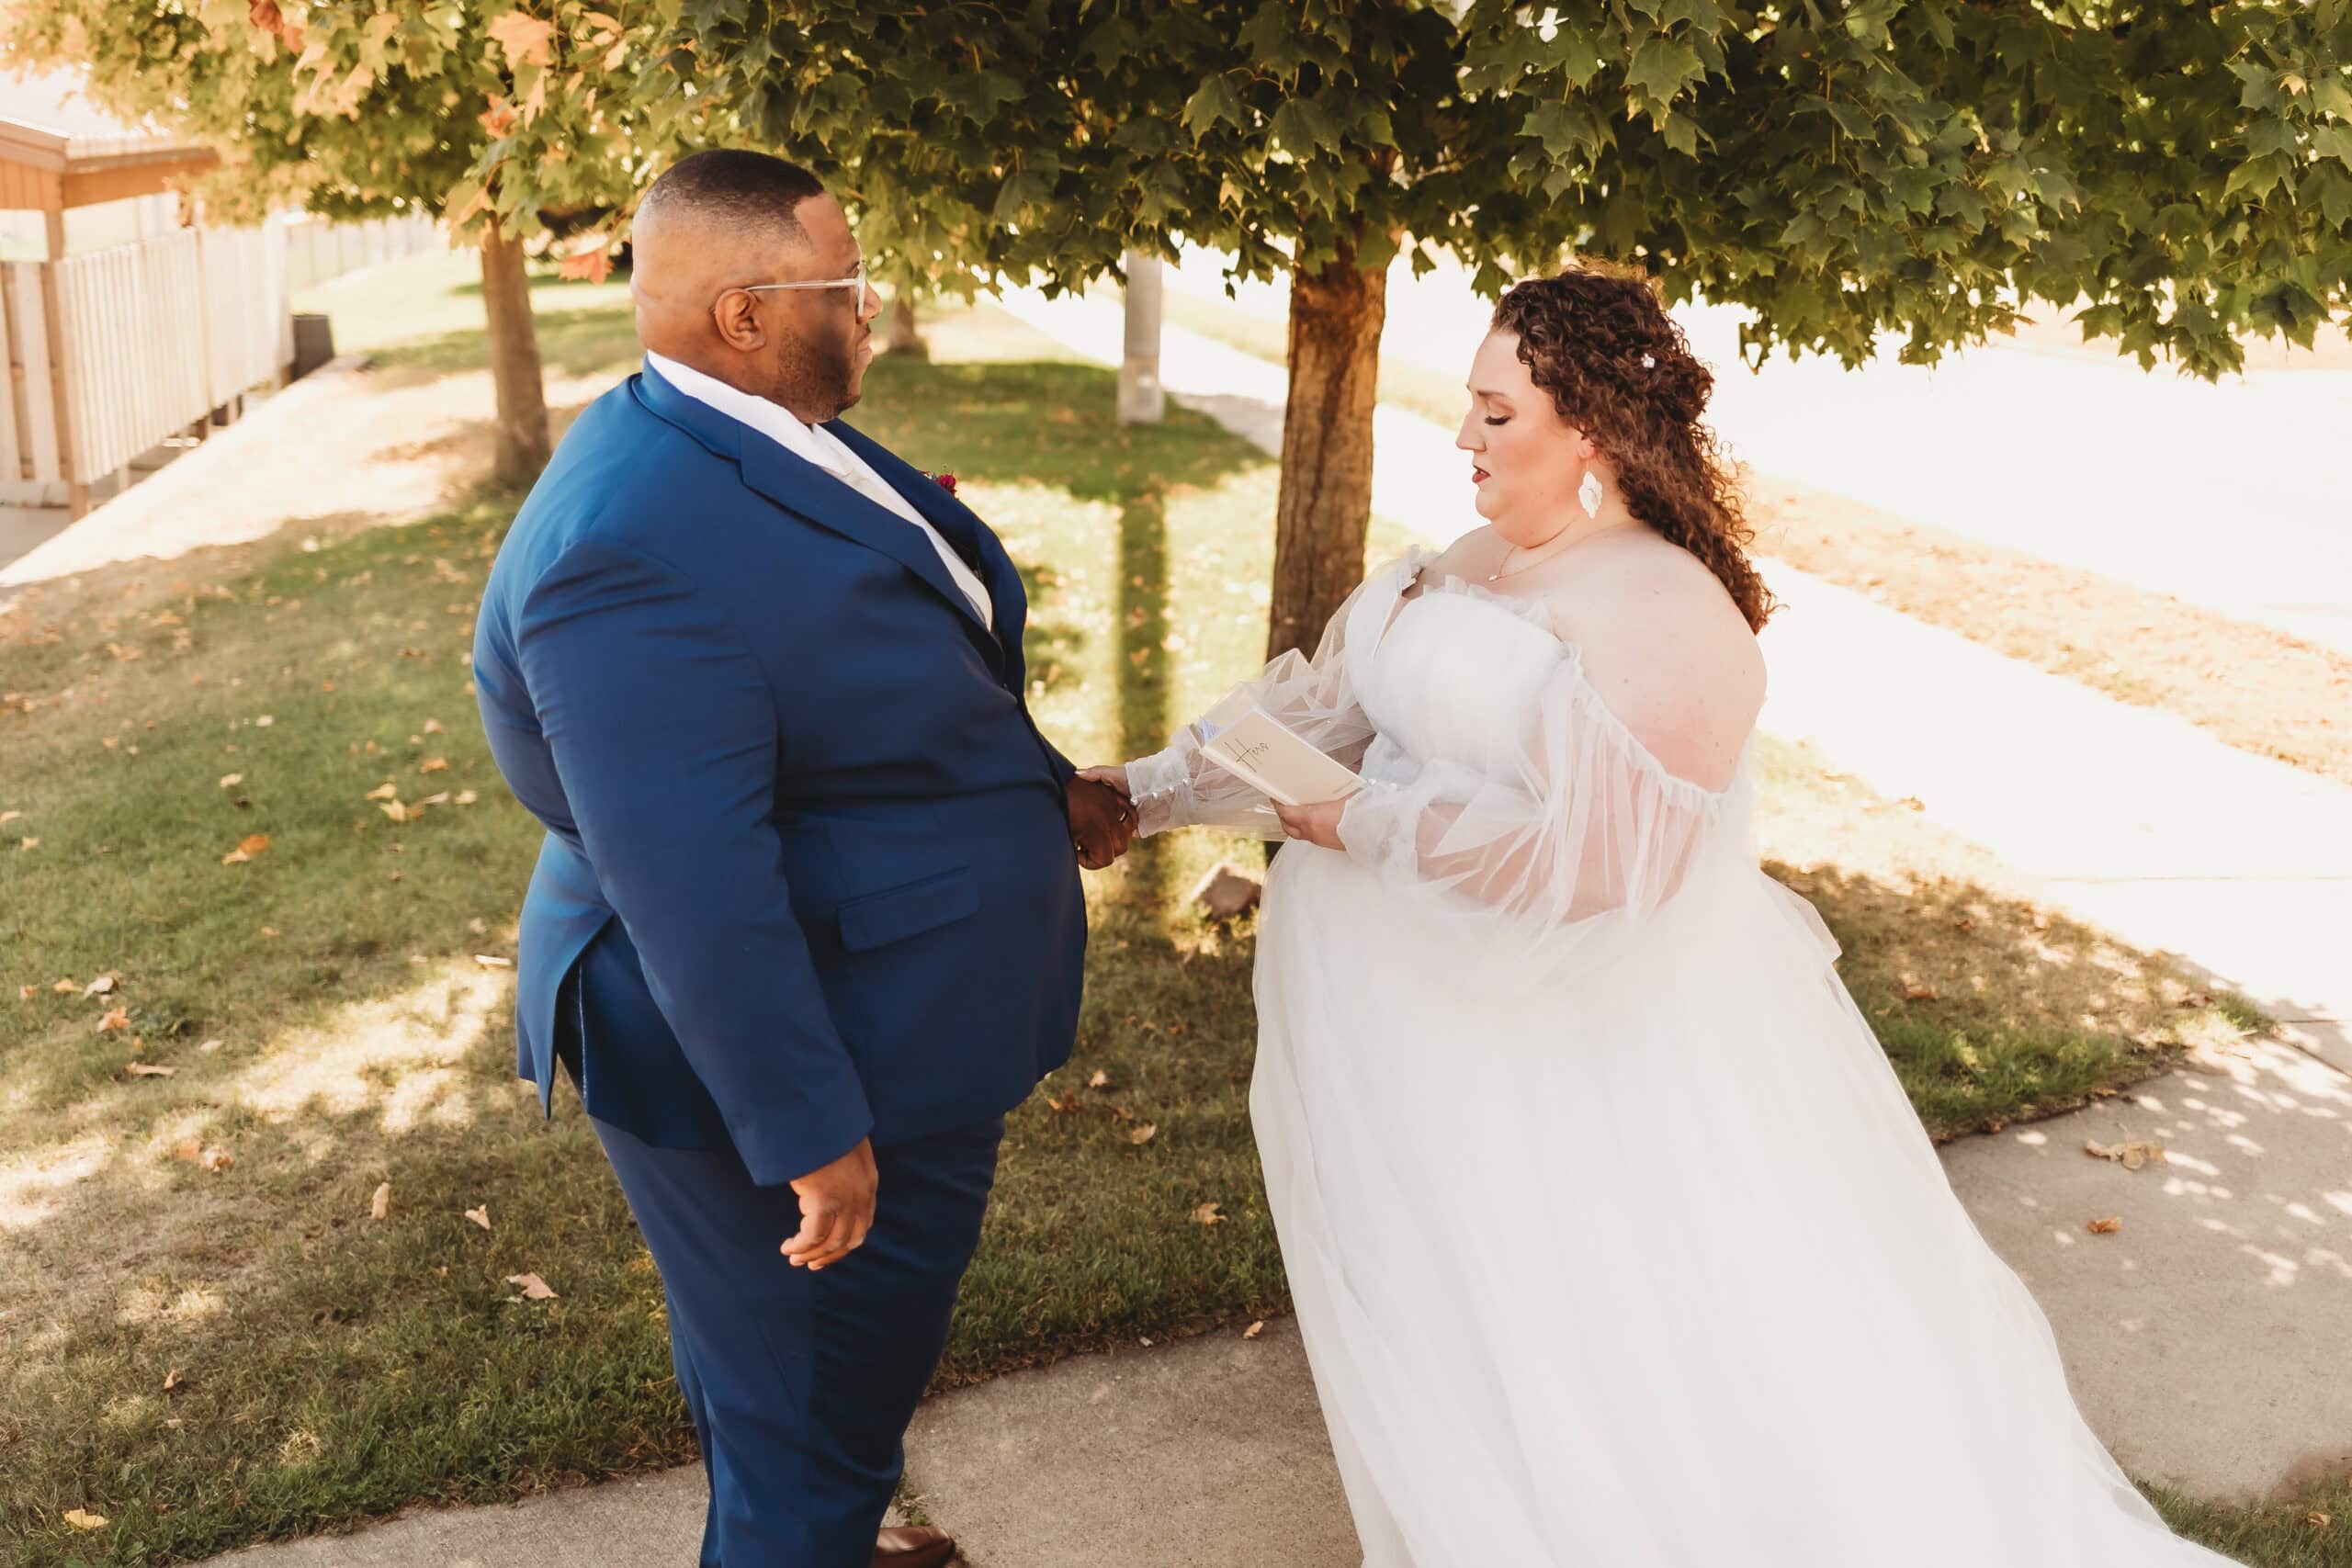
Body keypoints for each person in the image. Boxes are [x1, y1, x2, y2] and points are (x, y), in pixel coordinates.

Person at [1086, 267, 2243, 1565]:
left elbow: (1598, 861)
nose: (1462, 436)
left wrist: (1357, 823)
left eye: (1493, 412)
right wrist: (1133, 796)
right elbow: (1314, 717)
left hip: (1563, 1054)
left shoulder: (1670, 616)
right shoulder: (1462, 567)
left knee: (1590, 1328)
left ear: (1585, 425)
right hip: (1404, 1038)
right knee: (1455, 1316)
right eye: (1468, 408)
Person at [472, 149, 1135, 1568]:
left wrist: (1036, 787)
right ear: (746, 311)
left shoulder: (752, 422)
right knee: (818, 1400)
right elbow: (688, 884)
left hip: (883, 993)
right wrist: (809, 1137)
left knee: (789, 1398)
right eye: (848, 286)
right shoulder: (631, 543)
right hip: (813, 1046)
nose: (874, 308)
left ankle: (805, 1519)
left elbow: (863, 670)